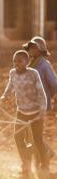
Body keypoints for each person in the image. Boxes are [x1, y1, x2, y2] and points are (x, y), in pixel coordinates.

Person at [0, 50, 48, 179]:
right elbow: (10, 87)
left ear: (26, 62)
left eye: (19, 61)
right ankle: (25, 163)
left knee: (37, 140)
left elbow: (41, 92)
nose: (16, 64)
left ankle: (45, 164)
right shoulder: (12, 73)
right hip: (21, 112)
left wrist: (42, 110)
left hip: (35, 112)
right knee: (18, 137)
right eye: (14, 61)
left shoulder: (33, 74)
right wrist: (3, 97)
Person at [23, 36, 57, 165]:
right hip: (29, 104)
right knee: (29, 132)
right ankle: (43, 155)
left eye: (33, 47)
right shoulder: (31, 63)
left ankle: (45, 159)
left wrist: (47, 97)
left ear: (40, 49)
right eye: (30, 47)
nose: (30, 50)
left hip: (39, 105)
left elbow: (54, 84)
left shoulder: (44, 65)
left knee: (35, 133)